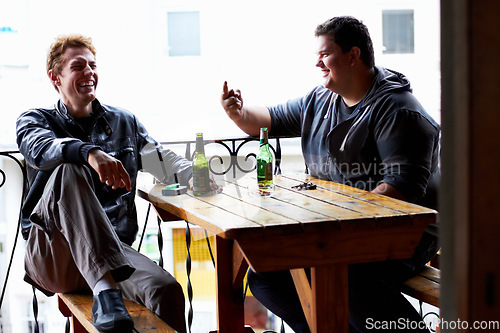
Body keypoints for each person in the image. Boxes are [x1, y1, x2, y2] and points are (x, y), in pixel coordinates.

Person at [221, 16, 440, 333]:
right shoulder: (320, 100)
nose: (317, 63)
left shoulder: (398, 110)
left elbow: (399, 192)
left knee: (346, 275)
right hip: (339, 230)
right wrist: (239, 114)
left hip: (407, 232)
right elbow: (269, 120)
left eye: (325, 54)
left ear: (353, 55)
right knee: (265, 276)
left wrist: (332, 228)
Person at [16, 34, 192, 332]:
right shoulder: (34, 120)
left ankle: (105, 287)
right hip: (54, 253)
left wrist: (205, 176)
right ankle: (105, 292)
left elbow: (164, 163)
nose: (89, 73)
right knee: (69, 169)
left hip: (114, 252)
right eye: (78, 66)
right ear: (55, 77)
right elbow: (40, 149)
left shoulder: (124, 122)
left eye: (93, 65)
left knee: (166, 291)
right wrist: (90, 153)